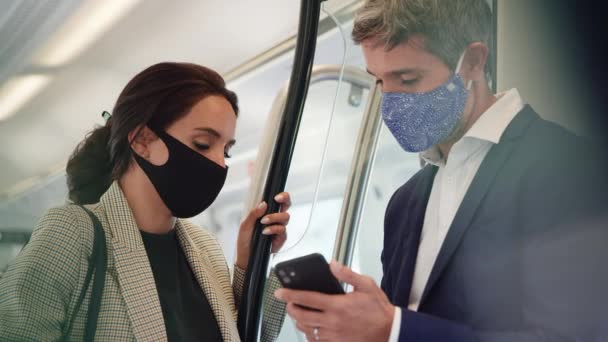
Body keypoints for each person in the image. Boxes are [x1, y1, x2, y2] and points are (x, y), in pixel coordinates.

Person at [274, 0, 608, 341]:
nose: (390, 101)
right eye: (379, 82)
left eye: (407, 78)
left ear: (474, 62)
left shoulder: (567, 166)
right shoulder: (403, 202)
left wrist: (394, 329)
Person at [0, 62, 290, 341]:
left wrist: (248, 264)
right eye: (202, 144)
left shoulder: (205, 248)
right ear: (141, 140)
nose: (218, 163)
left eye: (225, 151)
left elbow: (245, 335)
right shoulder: (73, 234)